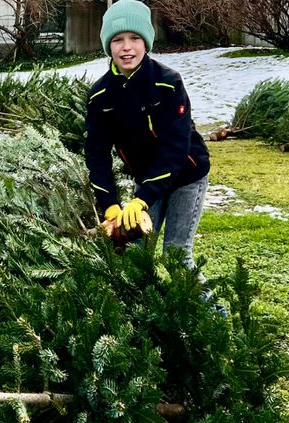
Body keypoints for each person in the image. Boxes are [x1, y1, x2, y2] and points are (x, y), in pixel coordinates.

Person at [85, 0, 210, 272]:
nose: (126, 47)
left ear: (146, 42)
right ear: (108, 45)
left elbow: (176, 147)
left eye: (134, 38)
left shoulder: (168, 83)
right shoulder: (100, 96)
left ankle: (214, 315)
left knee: (176, 257)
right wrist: (110, 206)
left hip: (186, 176)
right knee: (135, 256)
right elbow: (96, 155)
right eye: (117, 40)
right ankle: (146, 313)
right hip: (147, 180)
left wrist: (142, 199)